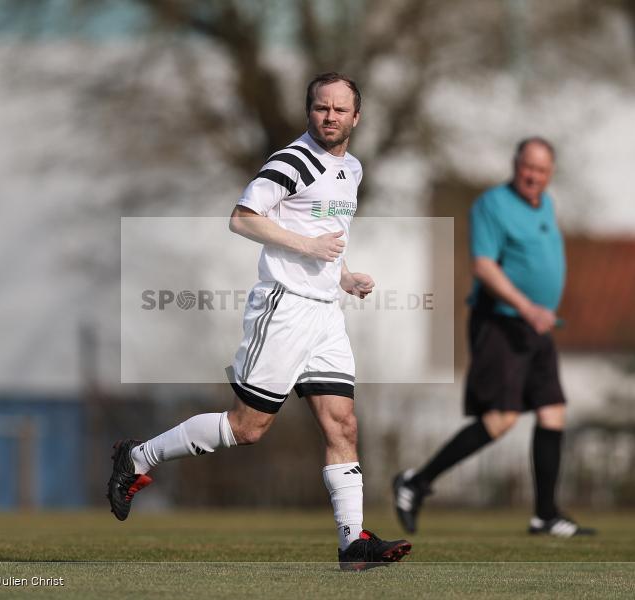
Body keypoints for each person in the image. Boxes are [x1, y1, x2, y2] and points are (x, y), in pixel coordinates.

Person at [108, 72, 412, 571]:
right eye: (321, 107)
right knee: (247, 428)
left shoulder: (352, 169)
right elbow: (243, 217)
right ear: (309, 111)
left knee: (343, 423)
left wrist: (345, 276)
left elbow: (325, 231)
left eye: (339, 109)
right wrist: (308, 248)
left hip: (325, 315)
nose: (330, 116)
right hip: (284, 306)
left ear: (357, 117)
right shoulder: (292, 160)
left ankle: (352, 542)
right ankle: (137, 458)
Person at [393, 138, 595, 538]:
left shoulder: (548, 205)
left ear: (550, 173)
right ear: (515, 164)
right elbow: (484, 266)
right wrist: (526, 306)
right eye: (527, 167)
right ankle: (415, 482)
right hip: (502, 322)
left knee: (553, 410)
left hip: (537, 327)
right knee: (500, 420)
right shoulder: (492, 206)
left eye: (541, 170)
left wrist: (540, 310)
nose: (533, 176)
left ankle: (545, 515)